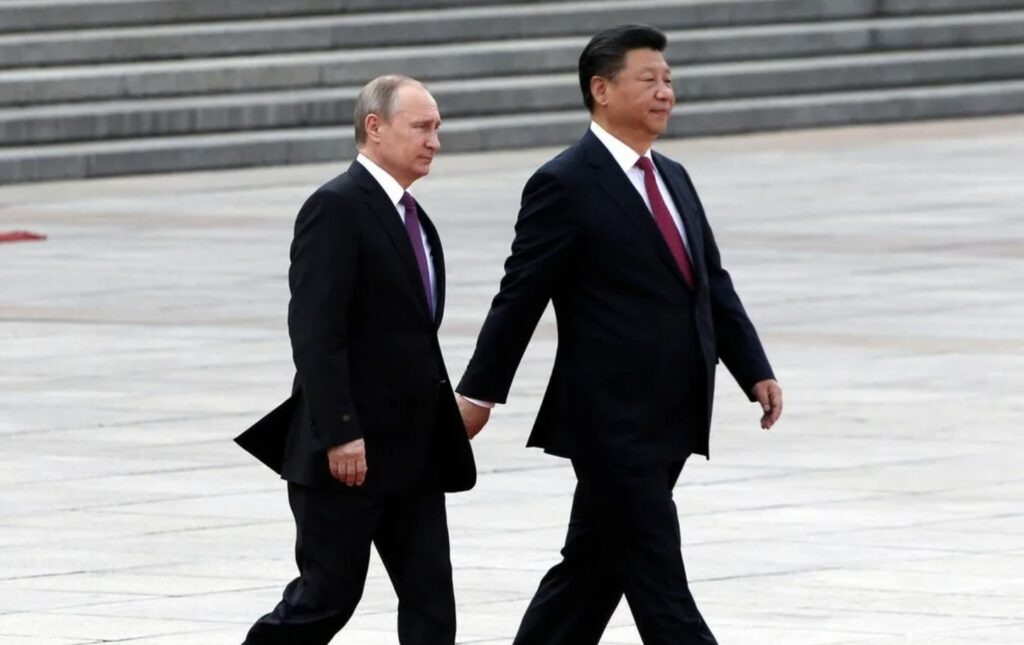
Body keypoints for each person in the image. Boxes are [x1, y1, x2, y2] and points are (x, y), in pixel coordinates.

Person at [456, 24, 783, 645]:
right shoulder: (564, 182)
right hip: (610, 421)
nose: (665, 92)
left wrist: (754, 369)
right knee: (660, 581)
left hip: (674, 412)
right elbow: (520, 295)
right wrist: (479, 394)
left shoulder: (674, 176)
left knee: (592, 570)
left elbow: (710, 283)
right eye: (649, 79)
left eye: (669, 80)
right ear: (601, 90)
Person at [235, 74, 475, 645]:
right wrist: (341, 432)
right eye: (421, 127)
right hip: (351, 455)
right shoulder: (336, 207)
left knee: (432, 603)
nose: (434, 140)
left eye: (437, 128)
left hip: (414, 451)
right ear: (375, 127)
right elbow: (316, 333)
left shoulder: (411, 215)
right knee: (325, 600)